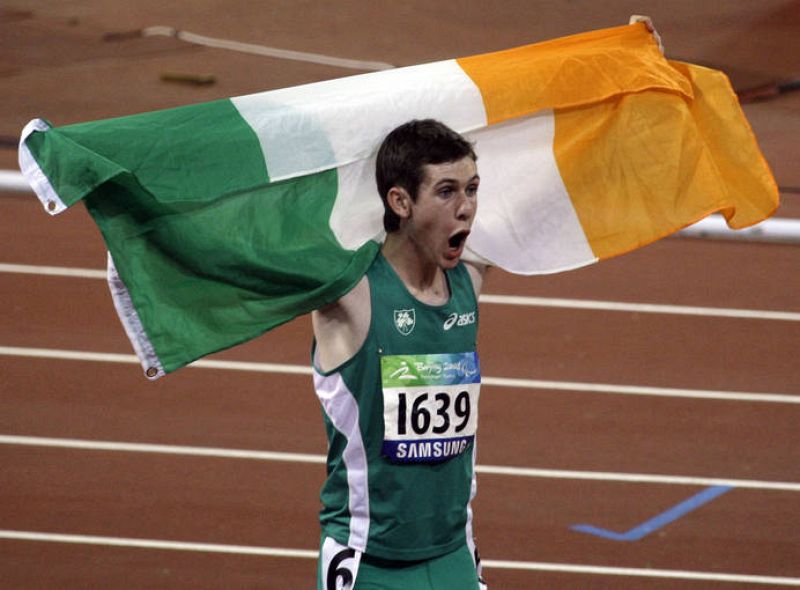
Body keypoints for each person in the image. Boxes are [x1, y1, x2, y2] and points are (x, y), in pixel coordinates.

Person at [311, 119, 488, 590]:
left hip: (454, 555)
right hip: (369, 564)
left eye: (472, 188)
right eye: (447, 191)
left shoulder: (468, 284)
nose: (466, 208)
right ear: (401, 201)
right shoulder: (351, 296)